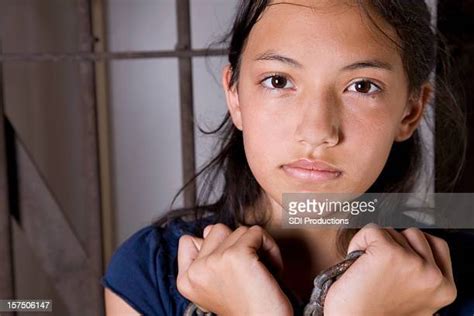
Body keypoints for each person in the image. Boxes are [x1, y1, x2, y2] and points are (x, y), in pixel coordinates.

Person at [101, 0, 474, 315]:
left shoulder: (459, 278)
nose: (316, 131)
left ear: (410, 112)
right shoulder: (151, 275)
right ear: (235, 96)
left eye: (362, 86)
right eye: (278, 81)